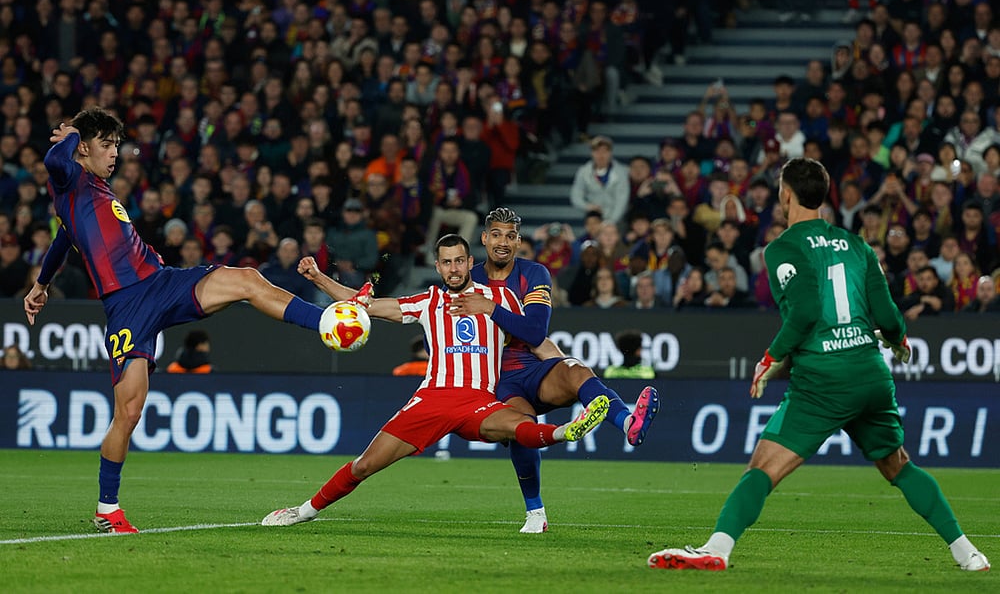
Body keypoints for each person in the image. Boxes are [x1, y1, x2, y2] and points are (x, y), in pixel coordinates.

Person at [648, 157, 990, 573]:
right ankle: (968, 553)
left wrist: (770, 358)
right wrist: (899, 339)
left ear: (786, 194)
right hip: (870, 372)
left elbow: (807, 309)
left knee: (762, 468)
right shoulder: (858, 246)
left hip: (823, 380)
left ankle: (717, 548)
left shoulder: (782, 248)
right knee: (898, 465)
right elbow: (886, 313)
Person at [23, 109, 329, 535]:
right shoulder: (69, 176)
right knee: (128, 412)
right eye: (106, 145)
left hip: (161, 281)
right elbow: (54, 161)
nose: (115, 154)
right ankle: (106, 511)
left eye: (116, 145)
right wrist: (74, 133)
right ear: (84, 148)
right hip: (127, 305)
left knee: (245, 279)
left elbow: (63, 238)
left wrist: (41, 283)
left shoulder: (91, 189)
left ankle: (328, 322)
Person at [260, 234, 610, 527]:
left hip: (479, 400)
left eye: (459, 261)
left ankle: (567, 431)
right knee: (365, 464)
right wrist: (319, 278)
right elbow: (363, 306)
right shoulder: (429, 301)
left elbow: (533, 335)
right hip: (431, 400)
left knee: (519, 425)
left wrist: (562, 362)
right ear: (438, 266)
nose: (453, 268)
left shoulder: (501, 299)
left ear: (470, 263)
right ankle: (303, 512)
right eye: (446, 262)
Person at [459, 207, 659, 533]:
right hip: (496, 380)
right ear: (484, 238)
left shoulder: (535, 273)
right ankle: (535, 514)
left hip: (534, 369)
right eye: (496, 234)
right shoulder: (469, 278)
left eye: (510, 236)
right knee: (521, 429)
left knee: (576, 370)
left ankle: (627, 423)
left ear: (519, 241)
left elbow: (536, 332)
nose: (502, 242)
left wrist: (490, 308)